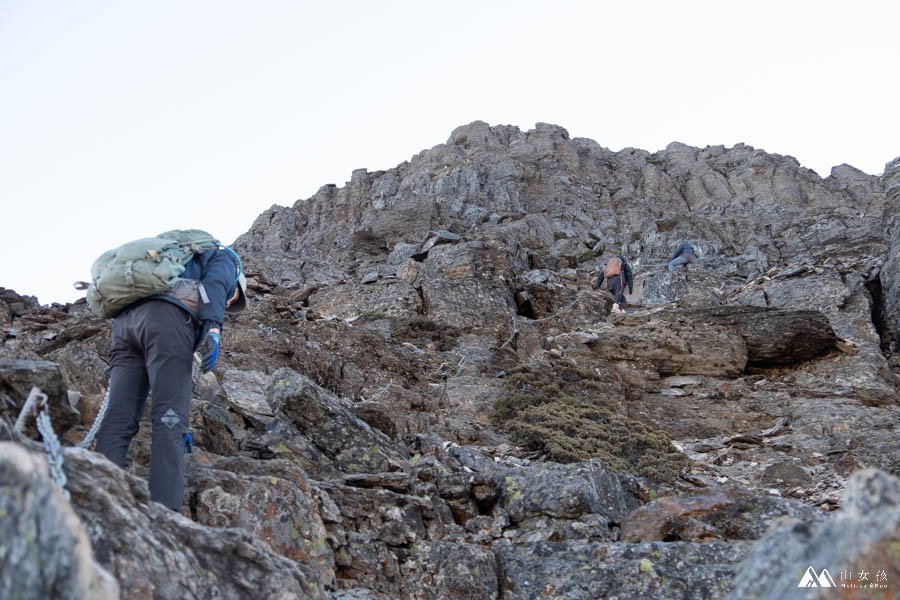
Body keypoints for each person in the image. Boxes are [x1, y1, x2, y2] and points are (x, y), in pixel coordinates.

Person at [94, 241, 247, 511]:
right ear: (237, 285)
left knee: (118, 417)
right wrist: (213, 328)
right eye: (232, 299)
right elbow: (213, 286)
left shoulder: (172, 267)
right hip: (166, 323)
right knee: (169, 419)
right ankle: (166, 516)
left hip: (124, 327)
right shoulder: (226, 258)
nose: (228, 302)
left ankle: (97, 503)